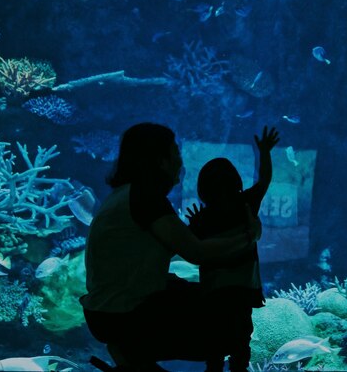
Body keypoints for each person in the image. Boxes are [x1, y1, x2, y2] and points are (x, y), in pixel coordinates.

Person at [79, 123, 260, 372]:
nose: (181, 162)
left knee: (195, 291)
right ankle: (132, 351)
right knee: (231, 317)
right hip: (124, 316)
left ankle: (132, 356)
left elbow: (157, 246)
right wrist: (249, 235)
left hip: (108, 312)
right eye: (176, 153)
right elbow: (196, 253)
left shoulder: (127, 194)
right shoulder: (146, 197)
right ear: (160, 160)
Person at [188, 126, 279, 372]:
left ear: (203, 189)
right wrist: (265, 152)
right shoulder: (245, 203)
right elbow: (265, 180)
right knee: (241, 341)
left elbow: (197, 250)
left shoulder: (205, 216)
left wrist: (194, 225)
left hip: (214, 290)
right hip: (243, 287)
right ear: (236, 181)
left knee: (214, 344)